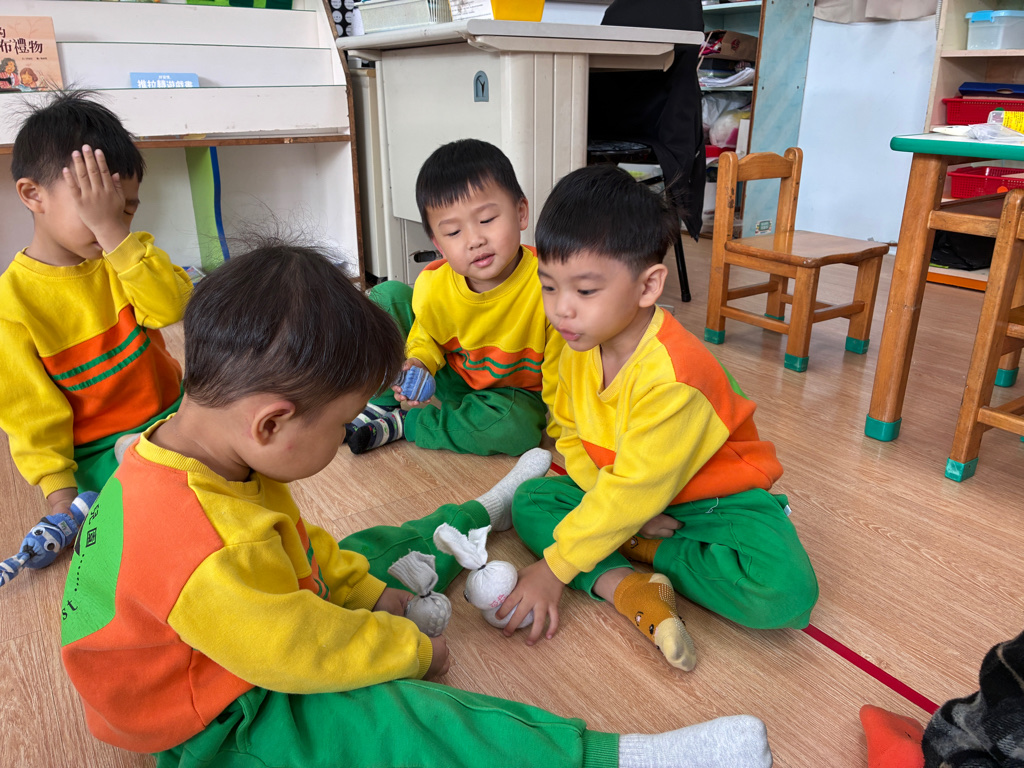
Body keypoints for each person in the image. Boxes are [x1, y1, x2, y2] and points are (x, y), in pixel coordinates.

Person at [60, 241, 774, 768]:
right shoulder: (211, 550)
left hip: (242, 620)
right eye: (341, 425)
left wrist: (373, 594)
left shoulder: (202, 449)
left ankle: (483, 511)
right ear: (272, 424)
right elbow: (302, 649)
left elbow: (296, 545)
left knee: (369, 551)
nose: (344, 439)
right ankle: (618, 759)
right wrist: (411, 649)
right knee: (391, 723)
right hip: (213, 713)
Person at [499, 165, 819, 672]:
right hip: (628, 488)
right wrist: (615, 502)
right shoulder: (569, 346)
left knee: (784, 593)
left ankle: (639, 547)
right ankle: (626, 581)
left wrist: (554, 568)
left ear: (648, 286)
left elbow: (636, 487)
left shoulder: (674, 376)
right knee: (533, 500)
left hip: (711, 500)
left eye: (585, 291)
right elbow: (567, 435)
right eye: (549, 286)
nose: (562, 310)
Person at [0, 92, 192, 526]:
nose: (114, 224)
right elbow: (31, 417)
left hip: (175, 413)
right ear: (33, 194)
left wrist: (113, 233)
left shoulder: (124, 254)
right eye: (95, 209)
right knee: (136, 511)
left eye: (125, 211)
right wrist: (61, 500)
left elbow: (170, 307)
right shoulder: (11, 307)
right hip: (97, 451)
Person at [347, 138, 565, 457]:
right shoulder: (435, 284)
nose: (475, 240)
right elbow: (426, 333)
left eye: (487, 220)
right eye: (453, 233)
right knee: (385, 296)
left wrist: (566, 432)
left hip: (508, 393)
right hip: (452, 372)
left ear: (521, 213)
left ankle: (410, 422)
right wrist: (419, 362)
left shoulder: (550, 284)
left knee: (516, 429)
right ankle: (384, 401)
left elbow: (563, 371)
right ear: (438, 244)